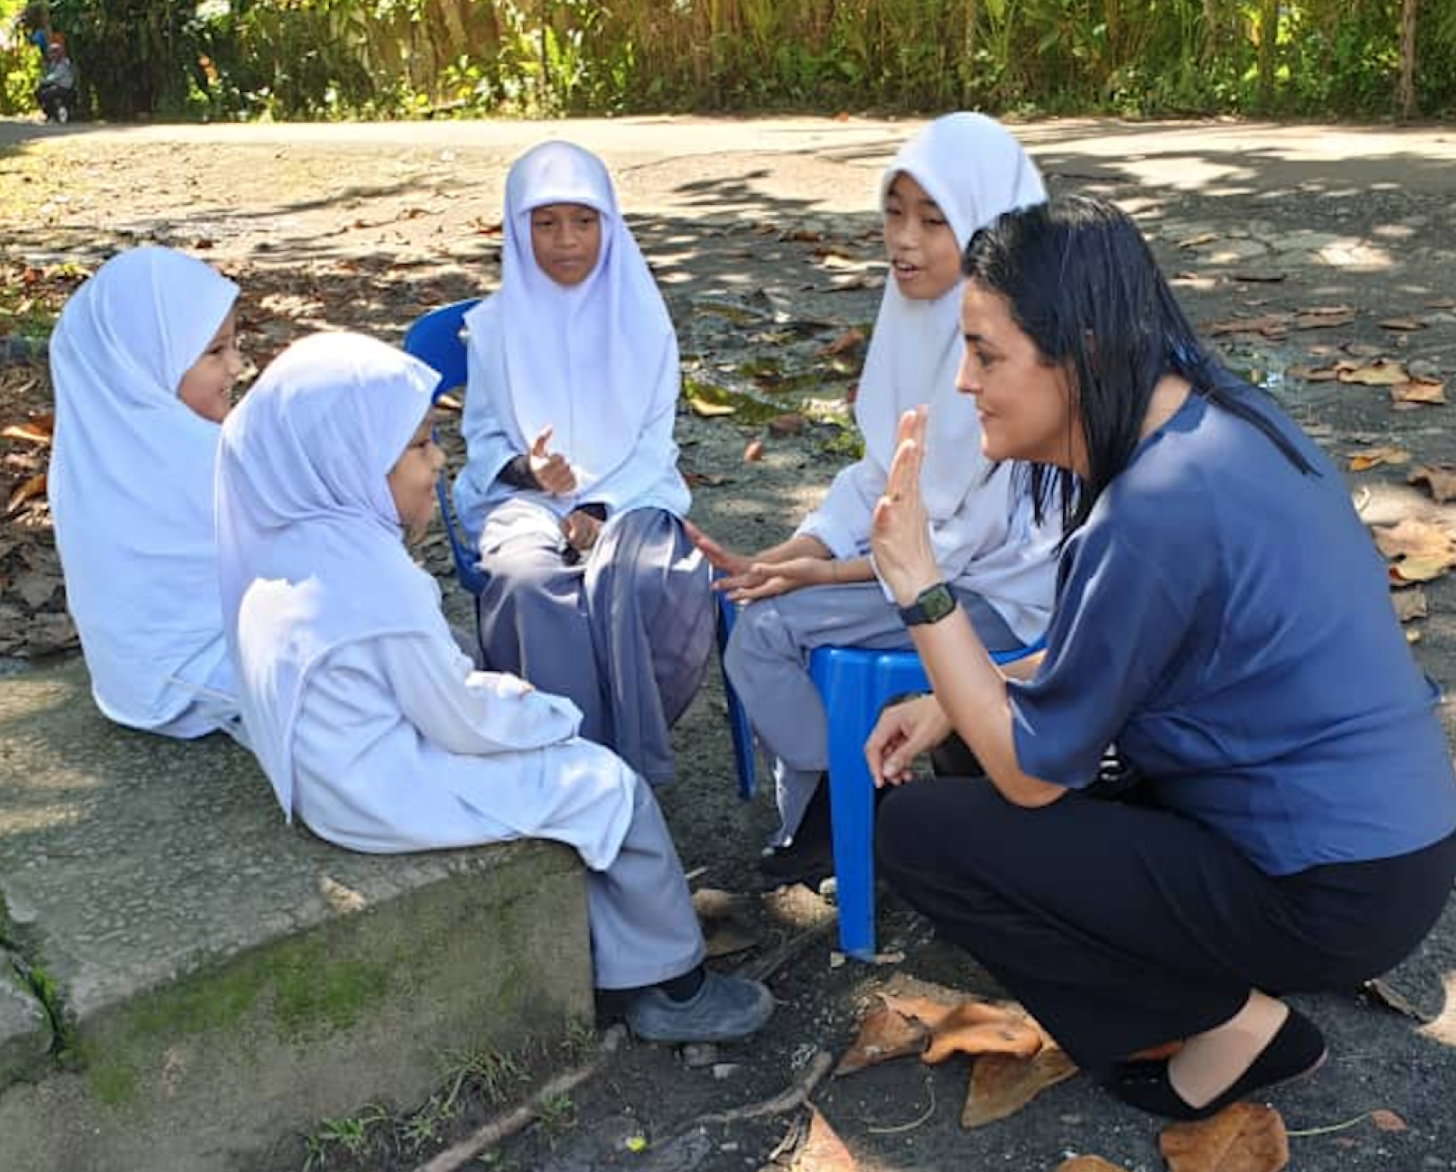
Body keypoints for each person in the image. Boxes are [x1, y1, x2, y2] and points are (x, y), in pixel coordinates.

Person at [866, 195, 1456, 1121]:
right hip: (1393, 851)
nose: (965, 383)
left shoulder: (1153, 506)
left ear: (1085, 351)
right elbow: (1143, 640)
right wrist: (963, 690)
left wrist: (919, 586)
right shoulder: (1217, 418)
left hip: (1329, 888)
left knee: (916, 833)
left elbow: (1028, 779)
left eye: (986, 354)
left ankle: (1230, 1022)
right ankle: (1211, 975)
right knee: (964, 731)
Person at [216, 330, 774, 1045]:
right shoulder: (372, 579)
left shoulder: (286, 539)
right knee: (606, 785)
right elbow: (458, 720)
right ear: (351, 461)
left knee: (557, 768)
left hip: (330, 777)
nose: (438, 461)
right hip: (377, 791)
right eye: (417, 446)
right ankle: (672, 986)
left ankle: (618, 948)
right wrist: (553, 716)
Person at [687, 113, 1061, 882]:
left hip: (1003, 594)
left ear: (992, 226)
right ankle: (859, 793)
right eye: (894, 213)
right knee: (754, 604)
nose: (904, 241)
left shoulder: (1008, 351)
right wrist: (798, 549)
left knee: (764, 632)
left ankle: (851, 804)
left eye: (933, 219)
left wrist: (818, 579)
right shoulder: (918, 313)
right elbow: (879, 474)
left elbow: (957, 545)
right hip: (933, 568)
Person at [452, 140, 713, 786]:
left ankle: (621, 766)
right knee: (523, 579)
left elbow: (657, 442)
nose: (566, 240)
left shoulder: (646, 325)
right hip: (526, 505)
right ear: (517, 230)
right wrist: (527, 472)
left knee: (649, 582)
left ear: (609, 225)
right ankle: (569, 764)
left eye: (583, 220)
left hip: (633, 500)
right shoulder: (491, 330)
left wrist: (601, 508)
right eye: (544, 223)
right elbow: (482, 440)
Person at [49, 246, 246, 741]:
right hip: (202, 680)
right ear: (148, 363)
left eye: (233, 345)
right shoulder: (201, 455)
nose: (237, 367)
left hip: (131, 684)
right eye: (215, 352)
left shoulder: (89, 452)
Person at [36, 39, 75, 120]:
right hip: (57, 86)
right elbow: (49, 75)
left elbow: (53, 77)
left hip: (65, 88)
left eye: (53, 52)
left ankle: (52, 115)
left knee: (47, 94)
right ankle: (49, 113)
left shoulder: (63, 63)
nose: (51, 55)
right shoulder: (54, 63)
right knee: (40, 91)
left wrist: (42, 80)